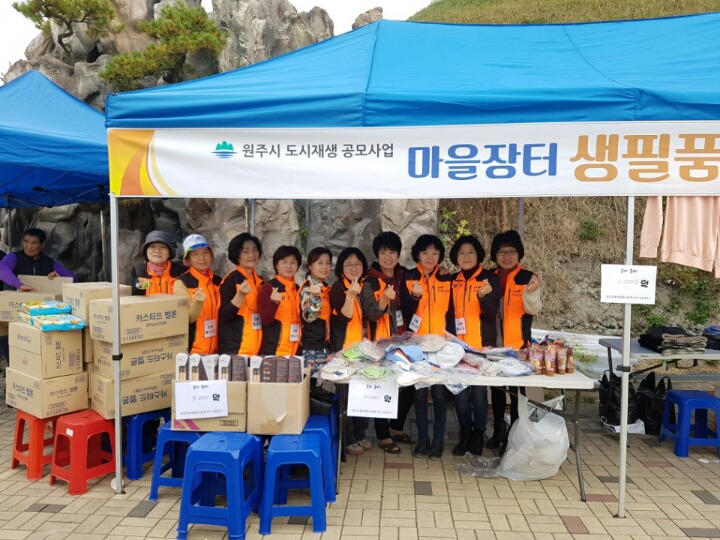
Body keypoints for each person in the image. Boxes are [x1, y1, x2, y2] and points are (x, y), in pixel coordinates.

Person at [487, 230, 542, 453]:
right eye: (502, 252)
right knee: (497, 389)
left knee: (518, 390)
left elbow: (534, 309)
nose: (507, 256)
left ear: (519, 254)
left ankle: (516, 433)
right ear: (495, 255)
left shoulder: (528, 278)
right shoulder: (488, 276)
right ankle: (498, 430)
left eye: (512, 252)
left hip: (519, 344)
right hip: (494, 344)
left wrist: (532, 293)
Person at [448, 235, 501, 456]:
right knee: (460, 394)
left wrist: (483, 296)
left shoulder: (490, 279)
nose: (466, 256)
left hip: (481, 348)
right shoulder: (452, 280)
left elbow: (491, 312)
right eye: (462, 253)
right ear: (456, 257)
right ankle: (465, 433)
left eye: (470, 252)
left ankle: (479, 433)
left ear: (478, 255)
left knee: (479, 395)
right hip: (457, 349)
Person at [361, 231, 414, 454]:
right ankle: (383, 435)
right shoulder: (370, 280)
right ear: (377, 255)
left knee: (409, 386)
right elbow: (371, 314)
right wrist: (383, 299)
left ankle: (396, 427)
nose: (388, 256)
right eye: (383, 252)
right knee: (383, 386)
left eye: (392, 252)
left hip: (404, 340)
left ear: (399, 254)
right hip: (379, 343)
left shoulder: (404, 276)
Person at [402, 234, 453, 460]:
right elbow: (404, 310)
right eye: (425, 253)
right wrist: (414, 296)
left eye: (434, 253)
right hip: (417, 345)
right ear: (418, 255)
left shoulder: (447, 278)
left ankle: (438, 440)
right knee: (420, 394)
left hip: (441, 345)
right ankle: (423, 439)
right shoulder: (409, 276)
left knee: (440, 394)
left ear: (440, 255)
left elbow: (453, 310)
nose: (430, 257)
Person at [330, 247, 370, 455]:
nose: (354, 268)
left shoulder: (363, 287)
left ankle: (360, 434)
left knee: (362, 394)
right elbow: (344, 317)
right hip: (344, 352)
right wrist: (351, 295)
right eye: (349, 265)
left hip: (362, 351)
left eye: (357, 264)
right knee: (345, 397)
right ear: (341, 268)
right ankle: (348, 439)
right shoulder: (338, 289)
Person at [173, 234, 221, 355]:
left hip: (218, 351)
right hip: (193, 351)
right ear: (188, 260)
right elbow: (187, 318)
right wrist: (198, 302)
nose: (202, 258)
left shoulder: (218, 281)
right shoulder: (182, 283)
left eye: (205, 252)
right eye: (195, 254)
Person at [218, 233, 264, 355]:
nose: (251, 255)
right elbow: (224, 316)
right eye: (245, 251)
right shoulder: (231, 280)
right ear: (237, 255)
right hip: (236, 351)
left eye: (255, 250)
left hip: (256, 351)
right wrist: (240, 295)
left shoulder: (260, 281)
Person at [258, 245, 302, 356]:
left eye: (293, 262)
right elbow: (264, 320)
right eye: (284, 262)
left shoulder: (298, 289)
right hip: (274, 351)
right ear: (276, 265)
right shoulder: (269, 287)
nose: (289, 266)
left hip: (295, 350)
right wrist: (274, 303)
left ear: (298, 266)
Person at [0, 228, 76, 290]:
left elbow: (73, 279)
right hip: (13, 300)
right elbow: (2, 269)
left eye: (34, 243)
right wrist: (19, 285)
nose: (29, 246)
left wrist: (60, 279)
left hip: (39, 302)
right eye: (26, 242)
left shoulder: (50, 262)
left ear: (42, 245)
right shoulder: (13, 257)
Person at [299, 247, 333, 373]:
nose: (324, 267)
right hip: (312, 348)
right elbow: (309, 317)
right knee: (313, 383)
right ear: (310, 266)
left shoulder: (324, 287)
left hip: (323, 345)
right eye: (320, 263)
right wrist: (314, 297)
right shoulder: (308, 288)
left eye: (328, 263)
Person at [130, 230, 186, 296]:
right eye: (152, 246)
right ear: (146, 251)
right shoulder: (139, 270)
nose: (157, 251)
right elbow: (133, 294)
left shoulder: (180, 271)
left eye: (163, 247)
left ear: (169, 253)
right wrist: (140, 286)